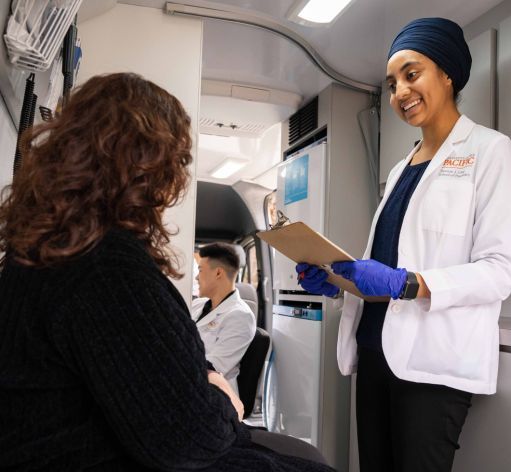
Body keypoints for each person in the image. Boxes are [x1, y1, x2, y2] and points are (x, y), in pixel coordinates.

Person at [0, 72, 333, 471]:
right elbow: (187, 436)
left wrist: (202, 378)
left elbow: (154, 358)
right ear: (150, 166)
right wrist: (224, 401)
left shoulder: (50, 249)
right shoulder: (104, 266)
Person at [297, 17, 511, 472]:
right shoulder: (401, 168)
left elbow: (501, 269)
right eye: (392, 82)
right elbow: (389, 264)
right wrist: (339, 280)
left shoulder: (490, 151)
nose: (400, 91)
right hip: (375, 350)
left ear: (448, 74)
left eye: (411, 74)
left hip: (431, 365)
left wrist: (408, 284)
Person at [192, 242, 256, 395]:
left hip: (212, 394)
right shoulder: (197, 305)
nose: (196, 277)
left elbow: (213, 367)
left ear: (218, 273)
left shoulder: (241, 316)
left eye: (200, 270)